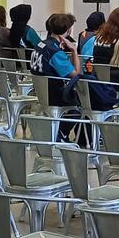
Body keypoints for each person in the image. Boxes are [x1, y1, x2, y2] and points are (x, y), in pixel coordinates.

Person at [30, 13, 81, 142]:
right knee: (80, 104)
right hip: (54, 94)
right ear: (68, 30)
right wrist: (74, 51)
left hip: (41, 92)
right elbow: (76, 74)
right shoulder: (55, 52)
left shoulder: (40, 45)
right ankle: (62, 134)